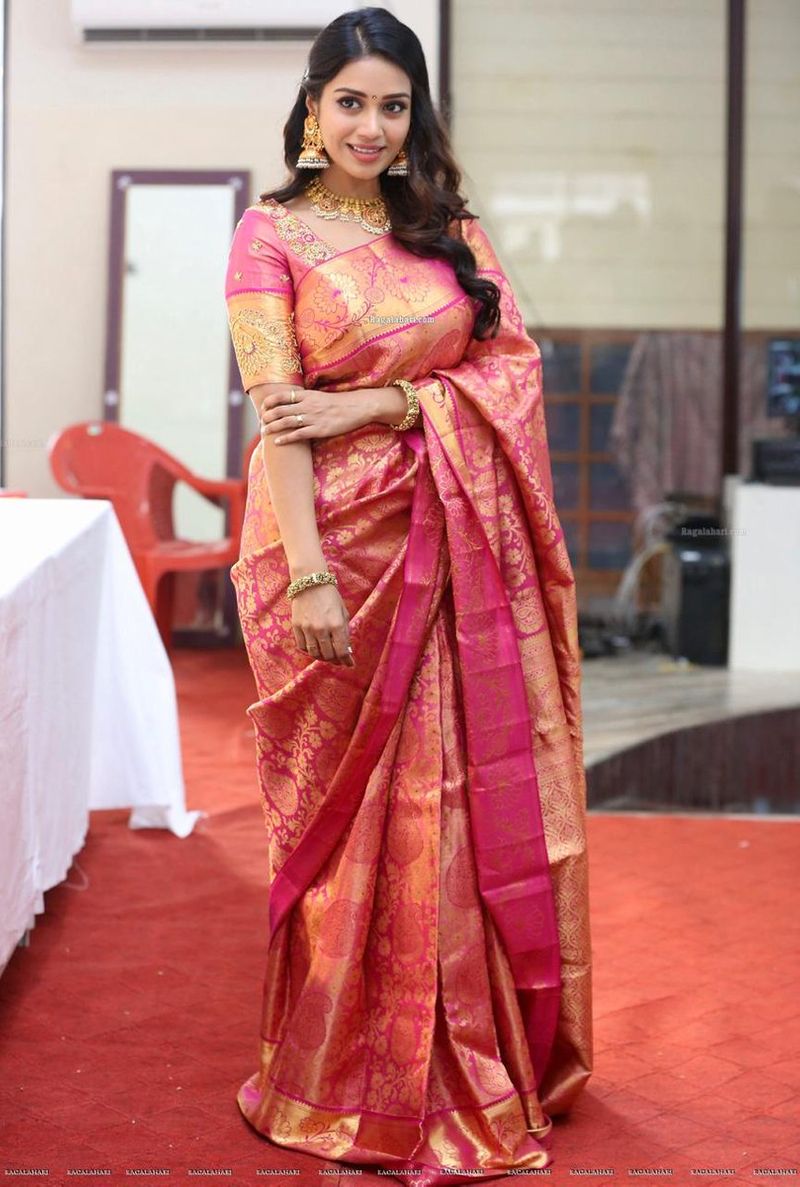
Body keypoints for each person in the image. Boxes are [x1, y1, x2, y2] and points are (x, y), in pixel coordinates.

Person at [224, 8, 593, 1184]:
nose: (371, 128)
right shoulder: (269, 234)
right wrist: (311, 575)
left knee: (454, 805)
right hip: (330, 548)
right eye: (350, 103)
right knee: (349, 822)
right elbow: (281, 417)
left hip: (452, 533)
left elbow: (508, 376)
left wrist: (378, 402)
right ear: (312, 107)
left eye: (393, 105)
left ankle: (458, 1059)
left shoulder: (450, 231)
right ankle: (339, 1070)